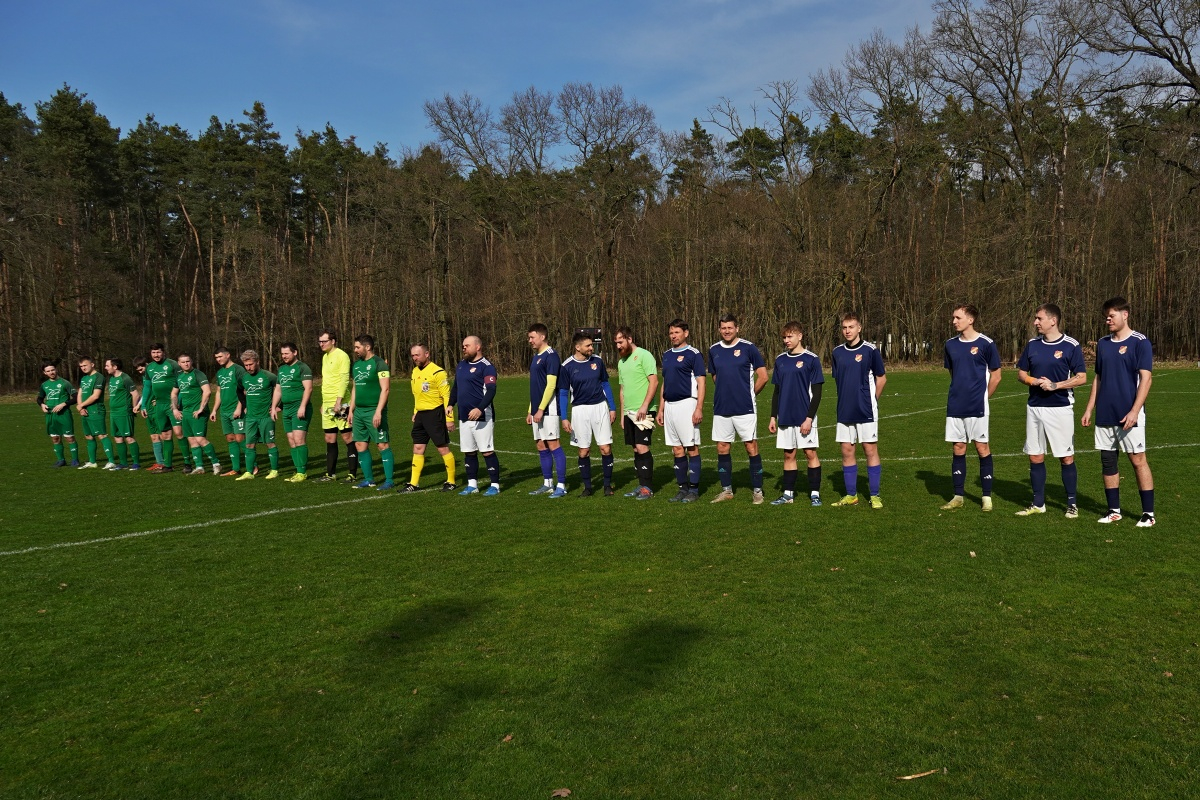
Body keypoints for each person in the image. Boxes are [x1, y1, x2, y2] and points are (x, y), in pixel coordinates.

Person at [1081, 297, 1156, 527]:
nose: (1108, 320)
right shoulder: (1103, 343)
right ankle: (1114, 510)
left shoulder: (1140, 342)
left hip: (1128, 414)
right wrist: (1089, 407)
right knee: (1107, 461)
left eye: (1111, 315)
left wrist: (1135, 411)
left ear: (1125, 315)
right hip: (1105, 413)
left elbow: (1146, 379)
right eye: (1106, 316)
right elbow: (1099, 378)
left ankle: (1148, 514)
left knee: (1137, 460)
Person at [1015, 303, 1087, 518]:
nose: (1036, 322)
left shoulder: (1070, 345)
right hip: (1035, 407)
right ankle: (1038, 503)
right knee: (1035, 456)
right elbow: (1020, 373)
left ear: (1052, 320)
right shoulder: (1032, 344)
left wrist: (1056, 385)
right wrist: (1032, 380)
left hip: (1060, 408)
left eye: (1039, 318)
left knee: (1065, 457)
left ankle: (1072, 504)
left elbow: (1082, 378)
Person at [941, 305, 1002, 511]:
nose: (954, 321)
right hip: (955, 406)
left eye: (957, 317)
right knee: (958, 448)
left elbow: (996, 376)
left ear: (970, 319)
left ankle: (986, 497)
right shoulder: (950, 345)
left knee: (981, 447)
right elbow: (953, 374)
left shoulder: (986, 344)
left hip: (978, 407)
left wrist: (983, 397)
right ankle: (958, 496)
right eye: (953, 317)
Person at [707, 315, 768, 504]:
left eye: (730, 328)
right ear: (719, 329)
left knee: (751, 447)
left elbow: (763, 376)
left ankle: (758, 491)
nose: (726, 331)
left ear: (737, 328)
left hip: (745, 408)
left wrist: (750, 394)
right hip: (722, 408)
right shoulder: (713, 350)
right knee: (722, 447)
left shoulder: (748, 348)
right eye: (723, 328)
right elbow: (715, 377)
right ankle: (727, 490)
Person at [830, 312, 887, 508]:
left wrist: (872, 400)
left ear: (859, 328)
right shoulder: (837, 352)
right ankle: (851, 495)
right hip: (845, 410)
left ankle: (874, 495)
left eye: (851, 327)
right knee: (847, 450)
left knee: (869, 449)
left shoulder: (870, 350)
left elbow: (881, 378)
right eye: (844, 327)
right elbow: (839, 380)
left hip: (866, 410)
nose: (847, 331)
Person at [767, 322, 824, 506]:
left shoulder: (811, 359)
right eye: (784, 337)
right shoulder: (780, 360)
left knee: (809, 453)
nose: (786, 340)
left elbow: (817, 393)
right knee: (788, 455)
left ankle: (815, 493)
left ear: (800, 336)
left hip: (804, 417)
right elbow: (776, 391)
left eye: (790, 336)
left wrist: (809, 418)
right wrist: (773, 416)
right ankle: (788, 494)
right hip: (785, 416)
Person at [559, 331, 618, 497]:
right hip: (579, 411)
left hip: (600, 408)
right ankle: (588, 488)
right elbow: (563, 393)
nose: (592, 348)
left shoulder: (598, 362)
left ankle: (607, 486)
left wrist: (612, 407)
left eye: (592, 345)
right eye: (588, 345)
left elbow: (605, 384)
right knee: (583, 451)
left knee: (605, 448)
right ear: (578, 347)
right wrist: (564, 418)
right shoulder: (567, 366)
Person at [656, 319, 706, 503]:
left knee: (691, 447)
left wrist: (699, 407)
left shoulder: (694, 354)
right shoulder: (667, 355)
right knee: (677, 449)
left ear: (686, 333)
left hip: (687, 405)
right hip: (670, 406)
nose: (673, 336)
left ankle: (694, 489)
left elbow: (701, 382)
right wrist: (661, 409)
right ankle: (682, 489)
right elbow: (664, 383)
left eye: (676, 332)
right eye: (671, 333)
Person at [452, 335, 501, 495]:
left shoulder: (486, 366)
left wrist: (480, 408)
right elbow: (456, 387)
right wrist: (450, 404)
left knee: (486, 451)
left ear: (477, 347)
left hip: (483, 416)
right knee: (468, 451)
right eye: (463, 345)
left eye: (467, 345)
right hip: (464, 416)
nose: (464, 348)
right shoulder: (461, 365)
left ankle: (495, 485)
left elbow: (491, 390)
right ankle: (472, 485)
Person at [404, 343, 457, 492]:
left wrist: (449, 418)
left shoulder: (438, 372)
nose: (415, 358)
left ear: (427, 354)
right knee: (418, 447)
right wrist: (416, 411)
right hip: (421, 415)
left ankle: (451, 481)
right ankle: (413, 484)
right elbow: (417, 394)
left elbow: (446, 396)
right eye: (413, 355)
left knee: (442, 448)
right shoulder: (414, 372)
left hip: (435, 414)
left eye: (417, 355)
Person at [615, 327, 660, 500]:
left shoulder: (644, 355)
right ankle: (641, 485)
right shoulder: (621, 362)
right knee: (635, 448)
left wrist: (645, 406)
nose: (618, 346)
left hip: (643, 411)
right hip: (629, 412)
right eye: (616, 343)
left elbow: (654, 382)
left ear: (629, 339)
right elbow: (622, 389)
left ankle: (648, 487)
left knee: (642, 447)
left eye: (621, 341)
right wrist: (622, 415)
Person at [345, 334, 395, 490]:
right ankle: (369, 480)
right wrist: (351, 410)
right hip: (359, 412)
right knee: (360, 444)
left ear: (368, 347)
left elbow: (385, 389)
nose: (355, 350)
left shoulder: (379, 364)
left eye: (357, 347)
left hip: (374, 410)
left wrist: (379, 411)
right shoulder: (356, 365)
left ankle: (389, 480)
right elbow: (355, 388)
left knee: (382, 444)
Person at [526, 323, 568, 496]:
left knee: (553, 444)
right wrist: (530, 409)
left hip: (549, 409)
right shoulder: (536, 357)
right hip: (537, 410)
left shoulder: (551, 356)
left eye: (532, 337)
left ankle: (561, 486)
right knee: (541, 445)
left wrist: (541, 409)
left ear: (542, 337)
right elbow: (535, 386)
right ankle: (548, 483)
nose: (530, 341)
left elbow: (551, 386)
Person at [316, 329, 358, 483]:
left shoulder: (342, 356)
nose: (321, 344)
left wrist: (338, 401)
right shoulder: (325, 357)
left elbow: (344, 379)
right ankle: (330, 474)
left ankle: (352, 474)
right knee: (329, 438)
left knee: (347, 436)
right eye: (319, 341)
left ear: (333, 341)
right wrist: (323, 403)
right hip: (327, 404)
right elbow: (326, 381)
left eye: (324, 341)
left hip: (341, 403)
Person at [172, 353, 222, 475]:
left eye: (188, 361)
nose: (186, 364)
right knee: (192, 440)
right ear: (179, 364)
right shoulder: (179, 377)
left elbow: (207, 391)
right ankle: (199, 467)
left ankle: (216, 464)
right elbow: (174, 393)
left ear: (191, 361)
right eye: (183, 362)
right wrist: (175, 409)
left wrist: (201, 408)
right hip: (186, 413)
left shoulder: (198, 374)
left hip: (198, 412)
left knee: (200, 439)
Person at [273, 342, 314, 482]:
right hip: (287, 410)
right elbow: (278, 390)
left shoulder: (303, 367)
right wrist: (273, 407)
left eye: (286, 353)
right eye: (282, 354)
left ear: (295, 352)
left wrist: (302, 406)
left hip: (300, 409)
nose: (284, 356)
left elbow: (308, 389)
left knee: (299, 439)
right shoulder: (282, 369)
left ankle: (302, 472)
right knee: (291, 441)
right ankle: (298, 471)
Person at [236, 350, 280, 481]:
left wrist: (277, 407)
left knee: (269, 443)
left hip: (266, 417)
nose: (248, 367)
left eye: (251, 364)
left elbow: (280, 389)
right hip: (250, 417)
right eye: (246, 365)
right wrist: (244, 406)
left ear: (257, 362)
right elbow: (238, 391)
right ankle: (249, 472)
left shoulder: (269, 376)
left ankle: (274, 470)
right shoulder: (243, 378)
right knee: (249, 444)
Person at [141, 344, 181, 472]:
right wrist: (143, 405)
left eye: (158, 352)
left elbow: (182, 382)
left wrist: (177, 403)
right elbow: (147, 387)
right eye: (153, 352)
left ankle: (188, 463)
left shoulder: (173, 364)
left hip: (173, 404)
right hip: (159, 405)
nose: (156, 355)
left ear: (163, 352)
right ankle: (167, 465)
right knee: (165, 434)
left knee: (179, 433)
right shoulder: (149, 368)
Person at [209, 347, 247, 477]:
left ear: (228, 355)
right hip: (224, 411)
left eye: (220, 357)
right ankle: (236, 468)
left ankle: (252, 466)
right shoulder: (220, 373)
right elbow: (219, 392)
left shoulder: (238, 370)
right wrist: (214, 410)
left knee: (240, 437)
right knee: (230, 438)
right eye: (216, 358)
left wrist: (239, 407)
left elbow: (244, 390)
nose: (218, 359)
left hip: (236, 410)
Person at [37, 360, 78, 467]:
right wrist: (42, 405)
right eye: (48, 371)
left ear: (56, 370)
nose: (51, 372)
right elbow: (39, 398)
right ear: (45, 373)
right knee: (55, 438)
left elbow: (76, 397)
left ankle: (75, 460)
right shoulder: (44, 385)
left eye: (53, 370)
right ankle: (61, 460)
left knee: (69, 437)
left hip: (64, 414)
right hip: (51, 415)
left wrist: (63, 404)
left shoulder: (65, 383)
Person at [75, 356, 114, 469]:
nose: (83, 368)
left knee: (101, 435)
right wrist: (81, 408)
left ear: (92, 364)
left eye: (85, 365)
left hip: (96, 410)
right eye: (81, 366)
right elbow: (80, 394)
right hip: (85, 410)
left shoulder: (99, 377)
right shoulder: (84, 379)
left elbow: (96, 396)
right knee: (89, 436)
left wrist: (82, 405)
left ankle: (111, 461)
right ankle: (92, 462)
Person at [104, 357, 141, 469]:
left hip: (123, 412)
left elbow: (135, 394)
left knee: (128, 437)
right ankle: (123, 463)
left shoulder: (125, 378)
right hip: (114, 413)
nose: (106, 368)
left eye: (107, 366)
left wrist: (134, 407)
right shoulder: (111, 379)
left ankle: (136, 463)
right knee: (117, 437)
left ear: (115, 367)